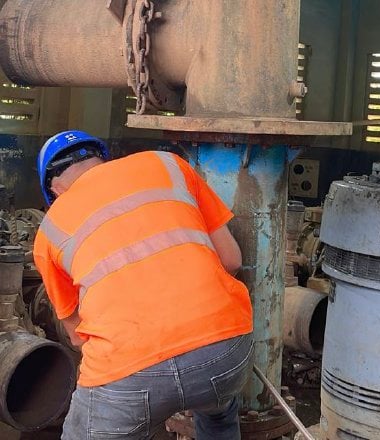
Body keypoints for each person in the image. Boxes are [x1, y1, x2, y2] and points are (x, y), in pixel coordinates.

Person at [32, 130, 254, 439]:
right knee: (219, 411)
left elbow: (76, 337)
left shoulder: (49, 231)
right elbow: (231, 260)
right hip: (224, 354)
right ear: (102, 159)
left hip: (129, 371)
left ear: (54, 189)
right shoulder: (170, 165)